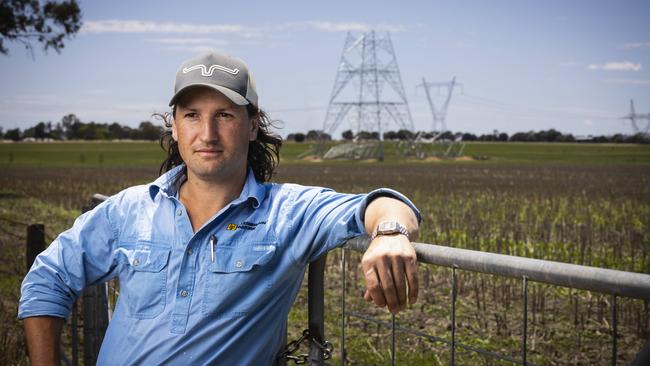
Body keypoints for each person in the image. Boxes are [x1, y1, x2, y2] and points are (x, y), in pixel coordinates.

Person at [19, 51, 421, 365]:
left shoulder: (286, 212)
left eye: (224, 115)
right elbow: (48, 277)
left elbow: (384, 204)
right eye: (192, 116)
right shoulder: (130, 209)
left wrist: (390, 233)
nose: (207, 134)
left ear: (251, 125)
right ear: (174, 128)